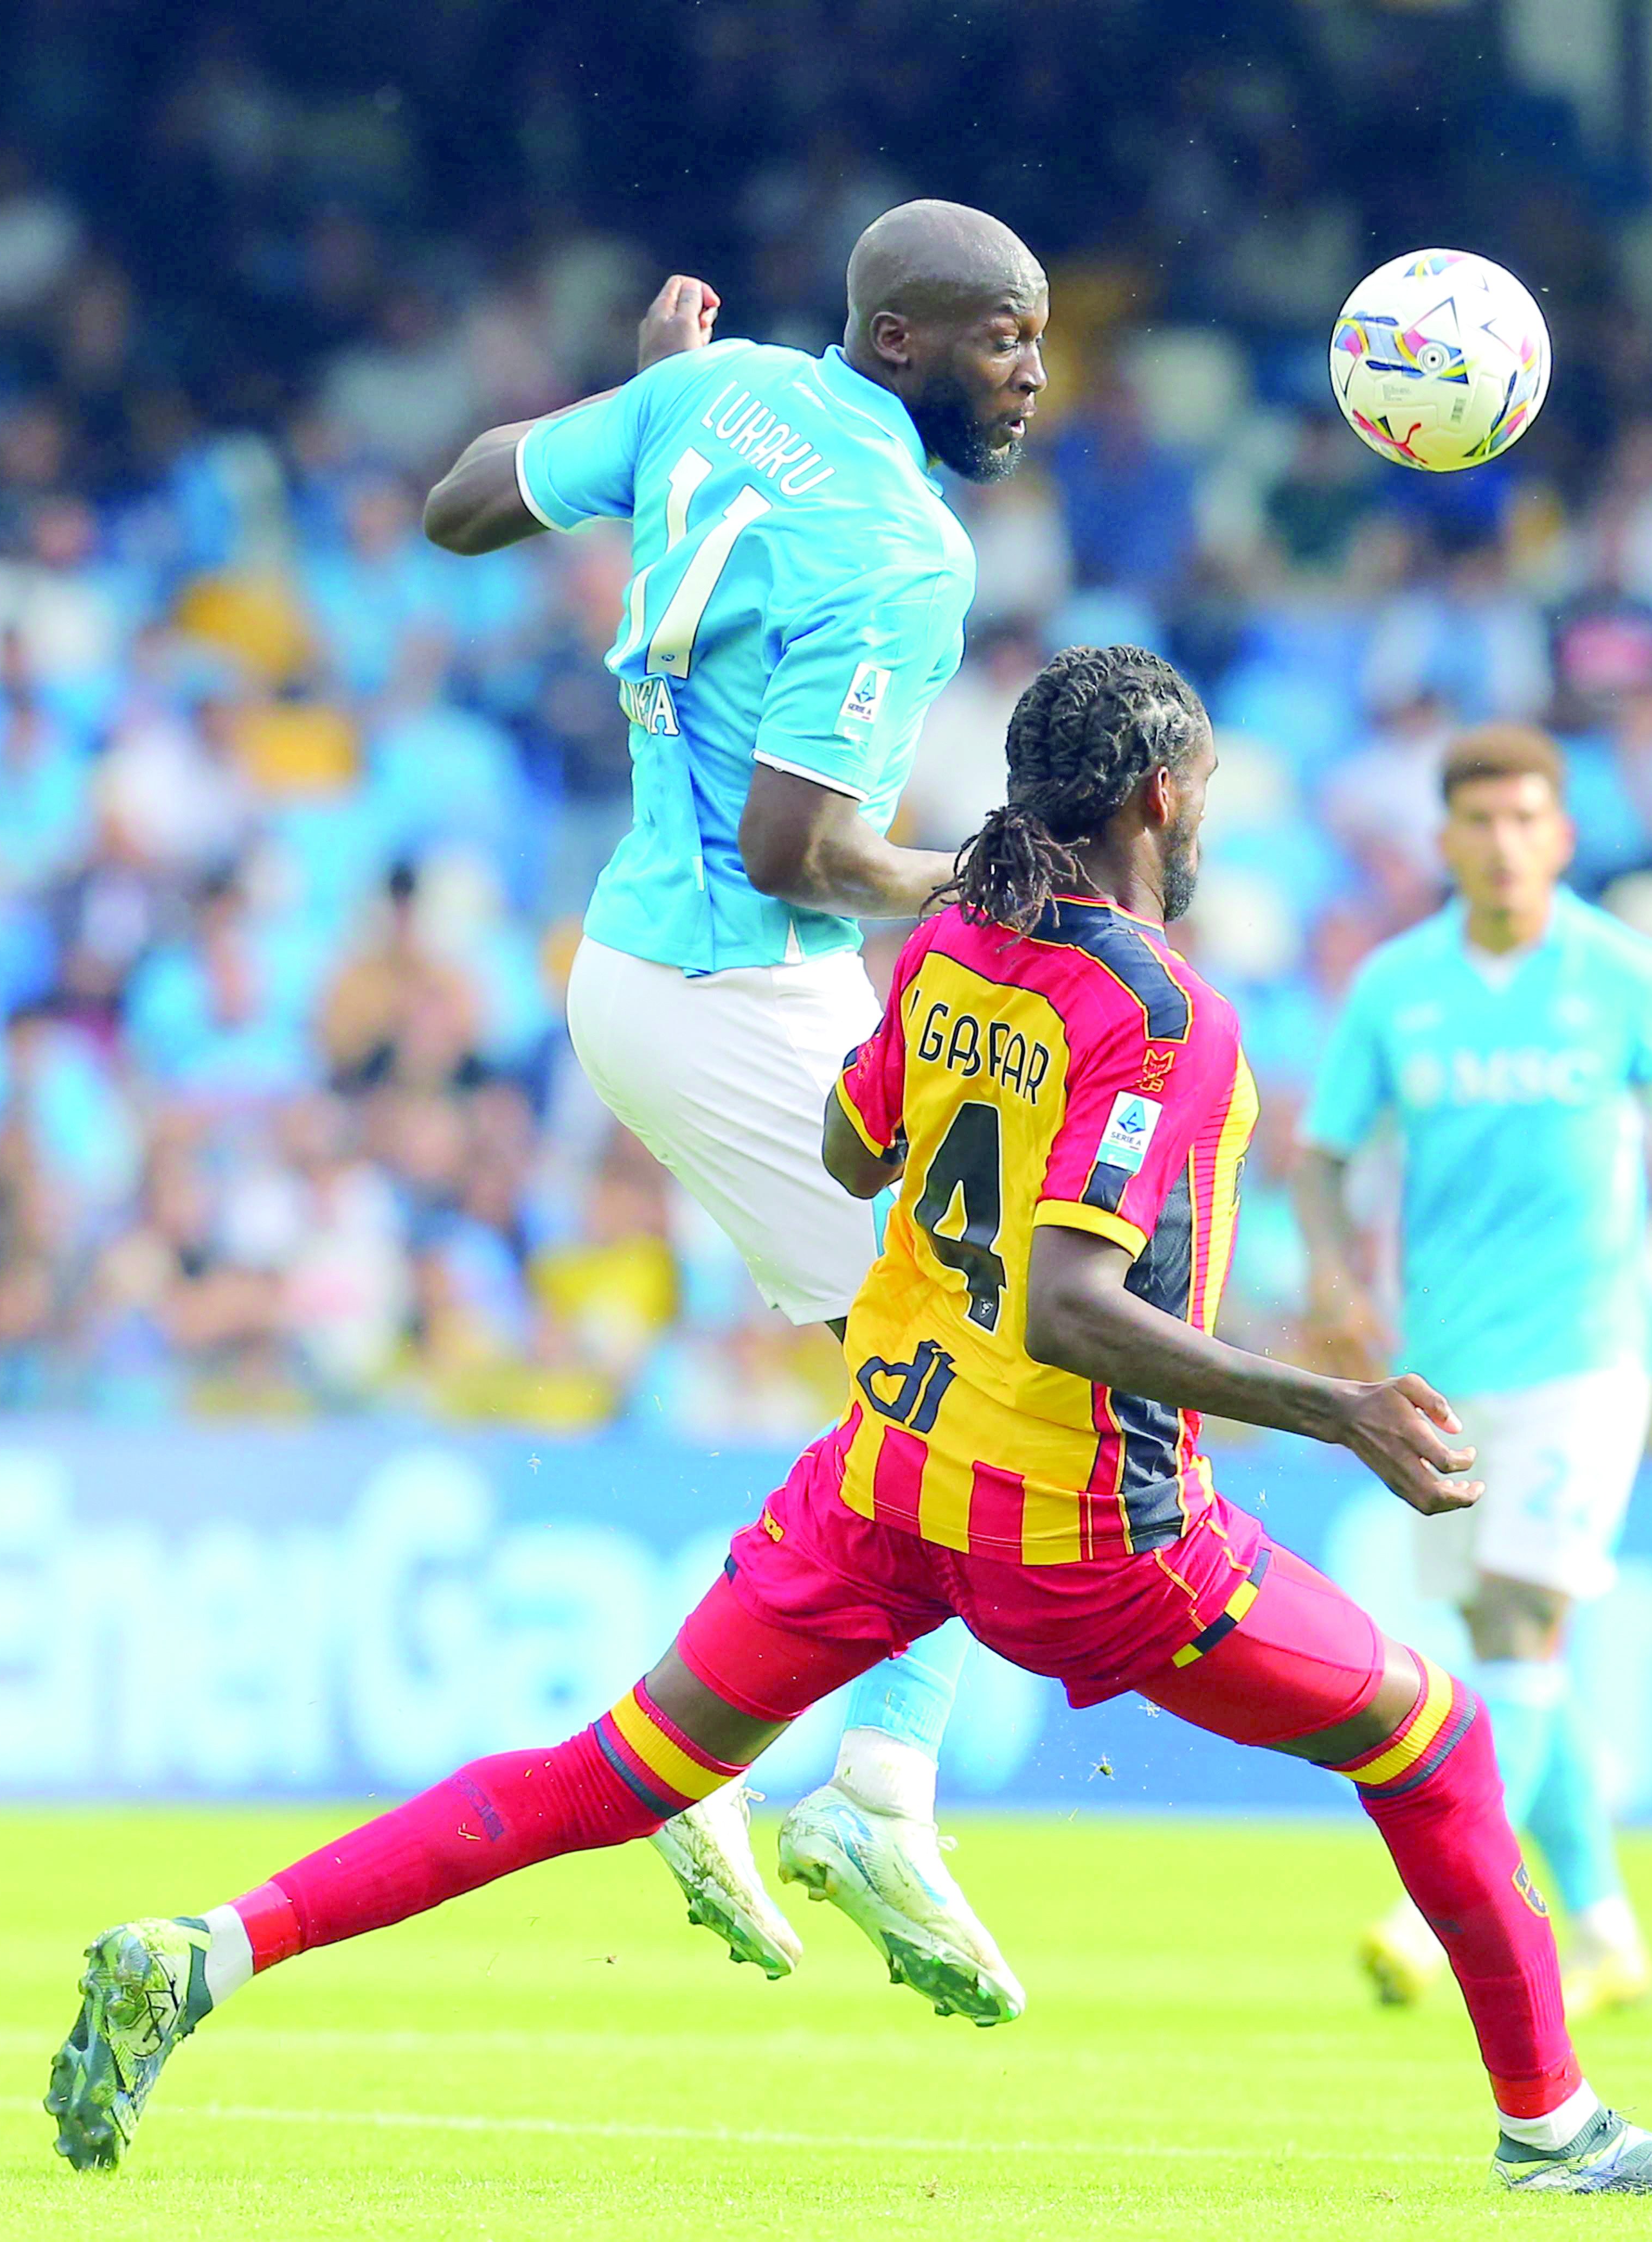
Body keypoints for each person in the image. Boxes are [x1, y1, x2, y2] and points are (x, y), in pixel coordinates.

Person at [44, 648, 1652, 2196]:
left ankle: (210, 1948)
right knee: (1442, 1741)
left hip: (885, 1472)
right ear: (1164, 797)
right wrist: (1339, 1408)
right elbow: (1075, 1309)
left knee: (617, 1772)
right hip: (1089, 1528)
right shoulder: (1162, 1011)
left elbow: (859, 1150)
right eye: (1211, 793)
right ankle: (1556, 2128)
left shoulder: (956, 939)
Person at [412, 201, 1049, 2015]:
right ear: (908, 342)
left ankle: (750, 1766)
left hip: (673, 963)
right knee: (990, 1371)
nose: (1032, 374)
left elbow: (463, 500)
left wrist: (648, 410)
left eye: (1043, 338)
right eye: (1005, 337)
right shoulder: (909, 548)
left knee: (933, 1375)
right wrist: (995, 878)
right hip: (725, 977)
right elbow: (807, 847)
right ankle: (864, 1792)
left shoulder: (724, 390)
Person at [1294, 723, 1652, 2022]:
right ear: (1447, 840)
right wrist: (1337, 1285)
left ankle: (1432, 1909)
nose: (1505, 842)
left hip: (1584, 1360)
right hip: (1444, 1370)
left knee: (1521, 1616)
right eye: (1480, 821)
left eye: (1528, 820)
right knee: (1514, 1653)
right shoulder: (1397, 990)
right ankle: (1614, 1933)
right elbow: (1323, 1153)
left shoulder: (1632, 977)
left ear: (1562, 837)